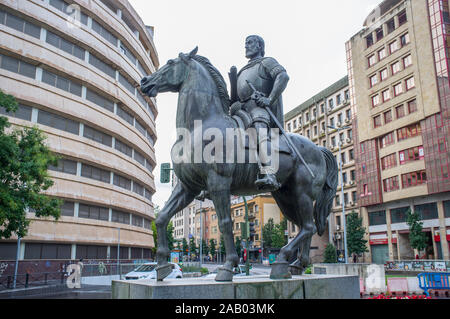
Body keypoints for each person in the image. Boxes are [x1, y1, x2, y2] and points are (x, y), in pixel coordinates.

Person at [231, 35, 289, 192]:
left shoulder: (266, 62)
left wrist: (269, 99)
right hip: (241, 111)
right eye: (245, 43)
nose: (246, 46)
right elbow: (234, 98)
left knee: (259, 127)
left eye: (250, 43)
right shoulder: (241, 71)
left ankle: (269, 172)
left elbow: (283, 76)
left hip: (259, 108)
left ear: (260, 46)